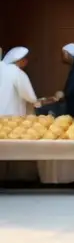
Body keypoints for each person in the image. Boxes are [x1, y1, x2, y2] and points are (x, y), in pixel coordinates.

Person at [0, 48, 42, 183]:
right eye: (25, 60)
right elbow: (29, 96)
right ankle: (15, 179)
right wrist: (37, 102)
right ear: (19, 61)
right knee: (14, 150)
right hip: (12, 119)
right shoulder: (17, 73)